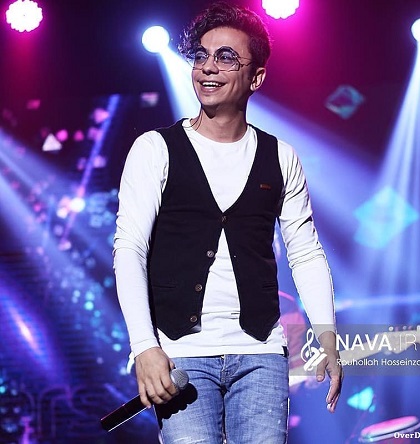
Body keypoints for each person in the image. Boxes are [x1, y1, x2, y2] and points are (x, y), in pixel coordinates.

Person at [113, 2, 343, 442]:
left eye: (226, 57)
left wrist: (327, 335)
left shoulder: (280, 156)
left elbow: (305, 252)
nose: (208, 67)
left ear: (256, 77)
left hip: (260, 352)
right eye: (201, 55)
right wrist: (144, 347)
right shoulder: (155, 149)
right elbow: (129, 250)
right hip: (180, 353)